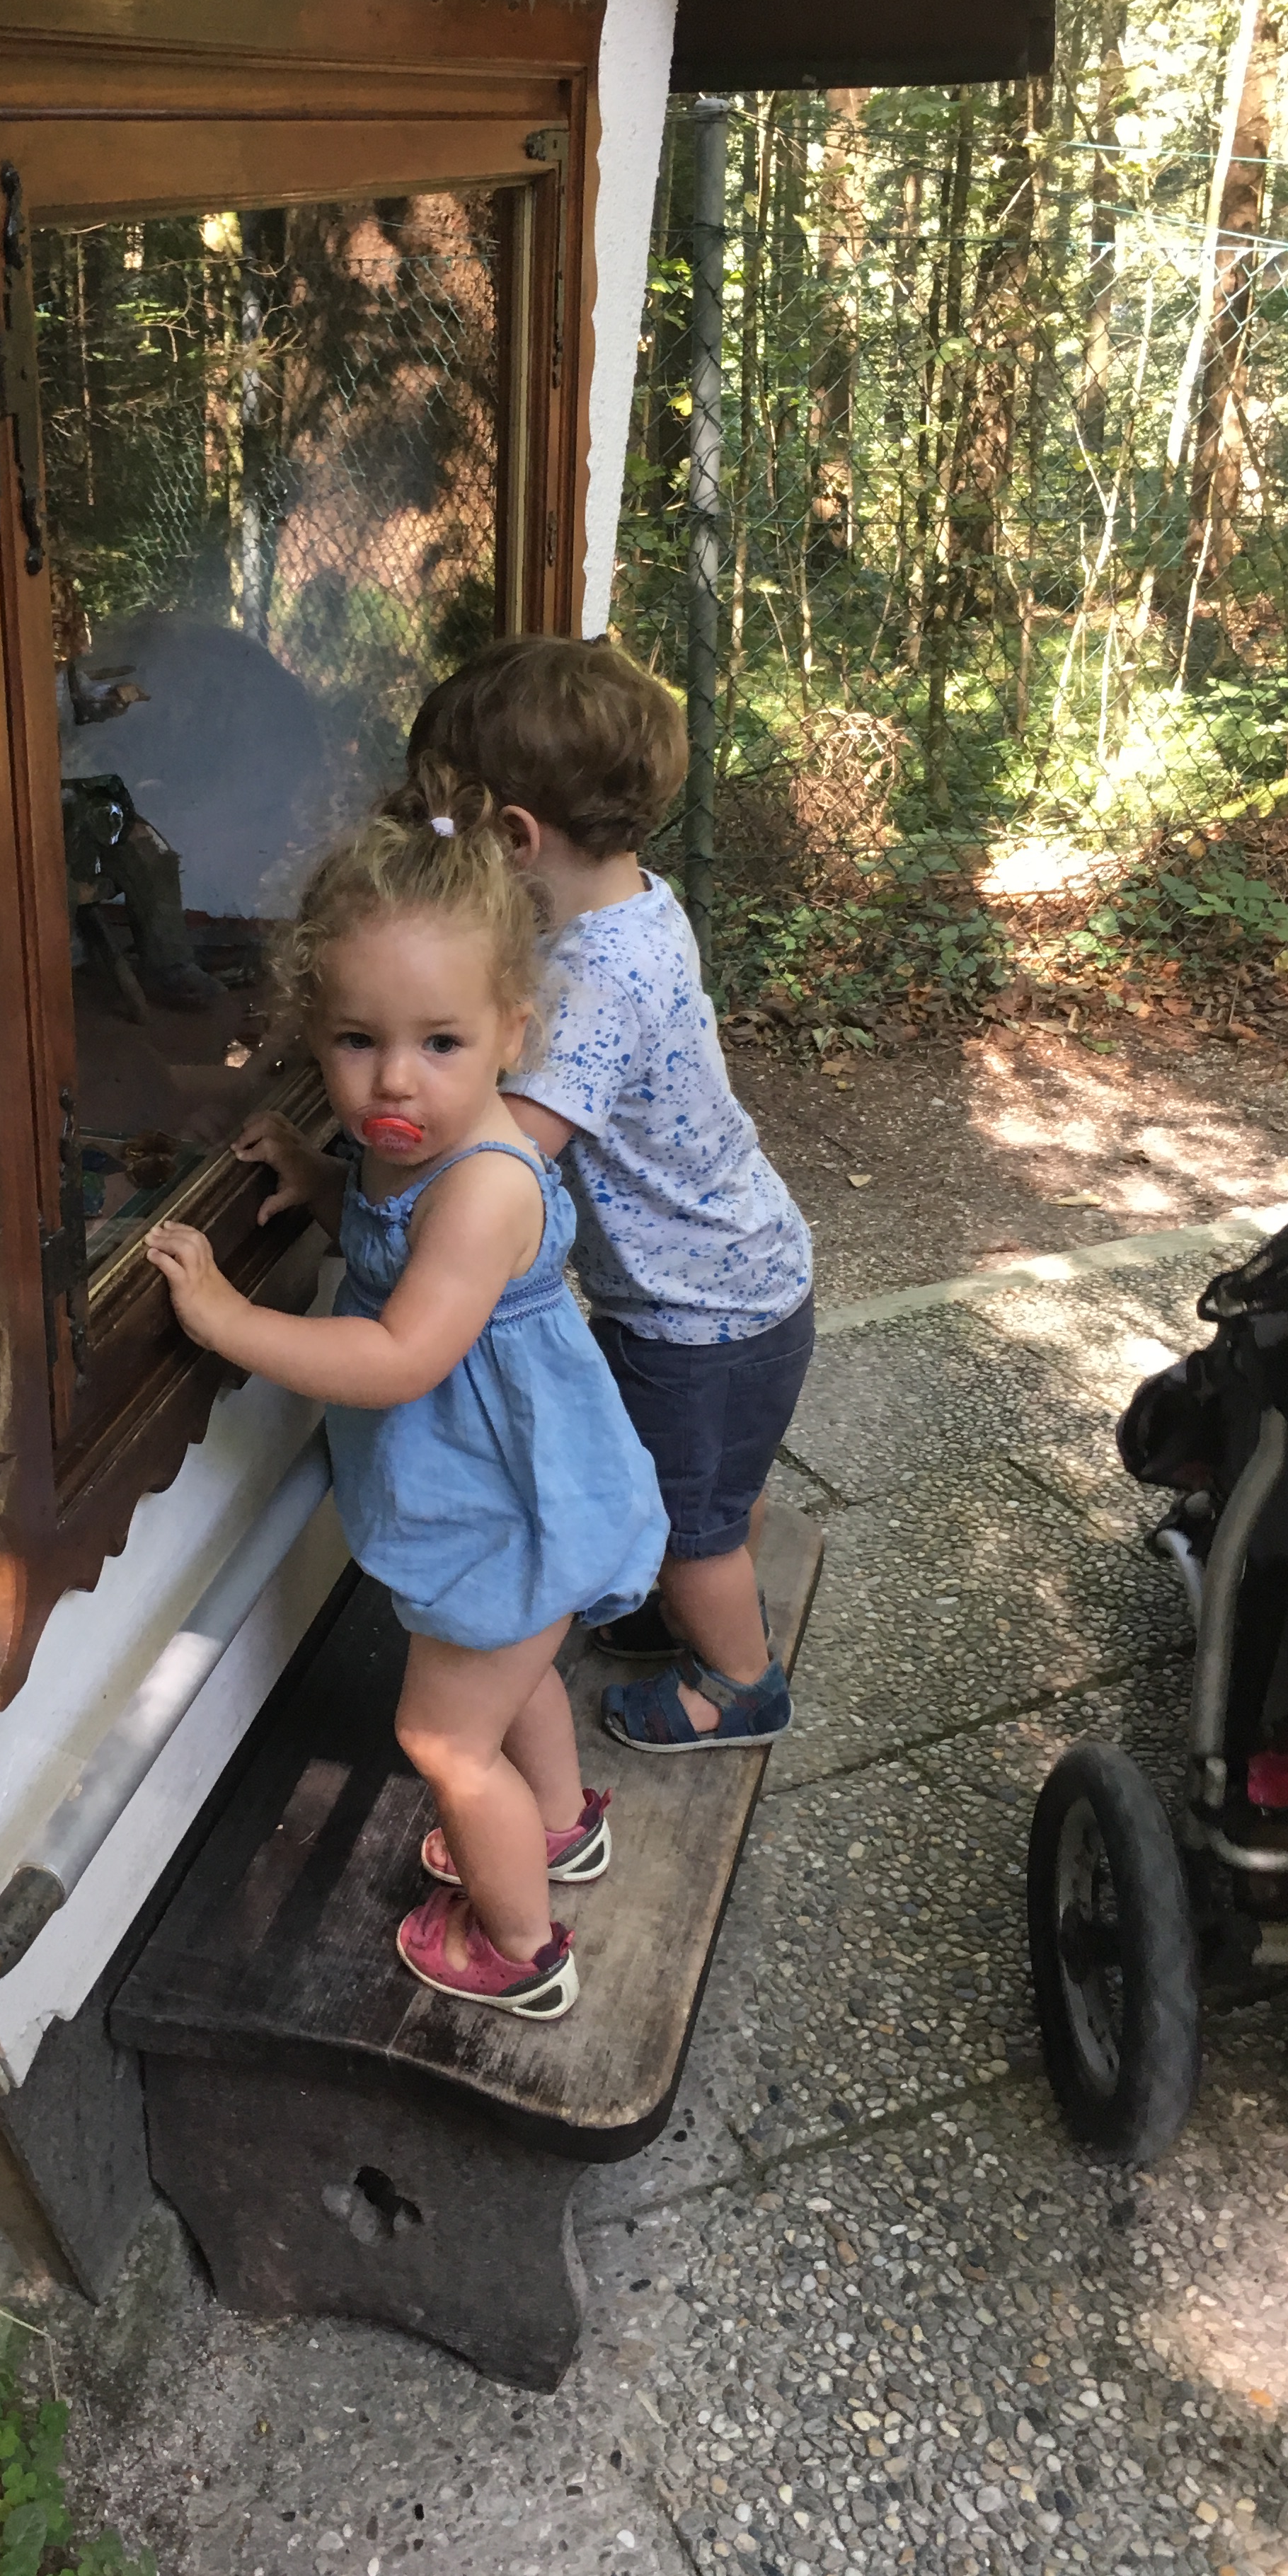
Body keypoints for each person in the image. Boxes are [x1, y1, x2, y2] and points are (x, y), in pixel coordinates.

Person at [144, 768, 666, 2019]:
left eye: (440, 1044)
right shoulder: (408, 1150)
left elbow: (403, 1353)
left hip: (508, 1504)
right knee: (510, 1673)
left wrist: (227, 1318)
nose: (394, 1083)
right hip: (497, 1496)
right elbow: (395, 1248)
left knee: (444, 1738)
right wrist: (319, 1183)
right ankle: (555, 1825)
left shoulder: (484, 1184)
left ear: (512, 1035)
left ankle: (520, 1948)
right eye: (356, 1042)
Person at [406, 635, 815, 1756]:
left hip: (692, 1317)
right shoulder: (639, 907)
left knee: (689, 1523)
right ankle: (699, 1604)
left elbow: (509, 1152)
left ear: (514, 838)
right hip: (753, 1277)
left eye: (444, 836)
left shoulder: (591, 976)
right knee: (720, 1486)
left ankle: (739, 1682)